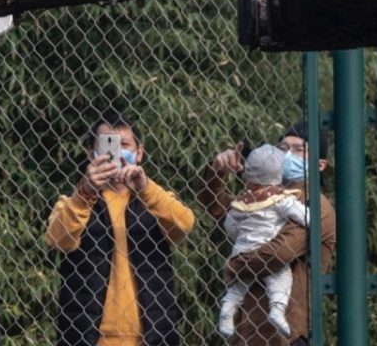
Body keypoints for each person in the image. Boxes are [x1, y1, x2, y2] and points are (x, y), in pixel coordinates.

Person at [45, 111, 194, 346]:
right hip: (87, 336)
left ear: (139, 152)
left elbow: (184, 225)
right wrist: (85, 191)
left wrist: (145, 189)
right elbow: (58, 239)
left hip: (150, 336)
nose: (116, 151)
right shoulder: (73, 202)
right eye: (107, 144)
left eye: (124, 144)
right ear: (91, 153)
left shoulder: (155, 200)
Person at [199, 121, 336, 346]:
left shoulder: (315, 206)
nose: (287, 156)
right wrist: (217, 172)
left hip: (285, 336)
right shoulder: (265, 196)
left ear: (320, 165)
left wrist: (234, 265)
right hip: (245, 332)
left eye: (299, 150)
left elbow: (277, 253)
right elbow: (216, 208)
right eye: (282, 149)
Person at [216, 145, 309, 339]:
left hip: (241, 249)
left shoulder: (244, 201)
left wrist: (240, 237)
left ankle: (227, 310)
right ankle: (277, 309)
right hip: (267, 247)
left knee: (237, 288)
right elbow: (303, 216)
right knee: (281, 278)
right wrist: (310, 218)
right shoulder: (281, 199)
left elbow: (230, 225)